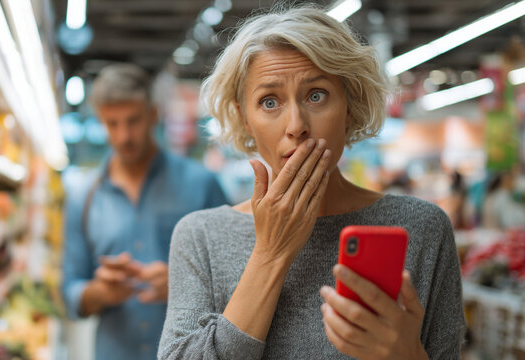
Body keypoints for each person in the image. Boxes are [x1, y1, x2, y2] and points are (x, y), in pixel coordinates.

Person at [159, 5, 466, 360]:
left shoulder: (421, 228)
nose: (296, 125)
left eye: (316, 95)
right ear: (245, 119)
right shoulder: (201, 237)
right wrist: (270, 254)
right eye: (269, 101)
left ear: (349, 106)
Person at [61, 63, 228, 360]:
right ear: (101, 121)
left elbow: (236, 276)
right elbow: (70, 290)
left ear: (153, 114)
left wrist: (184, 288)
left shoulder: (201, 184)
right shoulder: (82, 198)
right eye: (113, 124)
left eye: (133, 120)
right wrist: (99, 292)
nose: (124, 135)